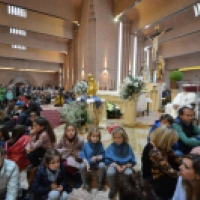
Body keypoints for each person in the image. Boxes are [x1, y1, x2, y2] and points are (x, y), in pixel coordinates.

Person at [142, 126, 182, 200]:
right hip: (154, 179)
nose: (174, 143)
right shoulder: (153, 151)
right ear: (166, 140)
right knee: (181, 182)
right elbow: (171, 172)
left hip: (163, 173)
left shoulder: (161, 144)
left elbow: (176, 158)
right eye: (172, 141)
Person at [105, 126, 136, 199]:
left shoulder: (127, 147)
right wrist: (116, 166)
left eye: (119, 138)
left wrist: (125, 166)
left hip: (125, 165)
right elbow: (107, 159)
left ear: (123, 137)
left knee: (129, 173)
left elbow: (132, 161)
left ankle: (125, 189)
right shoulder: (111, 147)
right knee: (110, 173)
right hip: (114, 165)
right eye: (115, 137)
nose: (117, 140)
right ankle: (113, 188)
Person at [57, 123, 84, 189]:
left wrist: (77, 154)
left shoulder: (80, 140)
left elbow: (84, 151)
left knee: (66, 164)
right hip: (65, 156)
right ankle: (66, 178)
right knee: (59, 164)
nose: (70, 132)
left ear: (75, 131)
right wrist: (65, 150)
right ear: (65, 132)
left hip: (76, 158)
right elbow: (57, 148)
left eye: (72, 130)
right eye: (68, 131)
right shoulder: (63, 139)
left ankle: (78, 178)